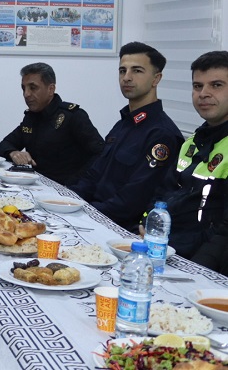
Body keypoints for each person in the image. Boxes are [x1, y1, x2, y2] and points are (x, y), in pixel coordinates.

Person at [71, 42, 182, 230]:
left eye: (137, 71)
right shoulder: (123, 124)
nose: (127, 78)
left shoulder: (161, 134)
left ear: (156, 79)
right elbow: (93, 175)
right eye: (122, 71)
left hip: (120, 227)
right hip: (94, 215)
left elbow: (133, 200)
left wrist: (83, 213)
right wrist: (66, 201)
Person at [153, 51, 228, 271]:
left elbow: (224, 233)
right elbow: (163, 194)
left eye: (216, 85)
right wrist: (150, 227)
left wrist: (195, 270)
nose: (203, 94)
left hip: (202, 263)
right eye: (197, 86)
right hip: (168, 249)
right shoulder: (192, 142)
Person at [0, 62, 104, 186]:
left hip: (67, 190)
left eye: (33, 87)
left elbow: (100, 155)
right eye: (23, 88)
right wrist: (14, 153)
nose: (26, 94)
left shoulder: (73, 116)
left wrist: (77, 183)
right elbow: (5, 144)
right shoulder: (31, 118)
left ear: (51, 89)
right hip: (36, 186)